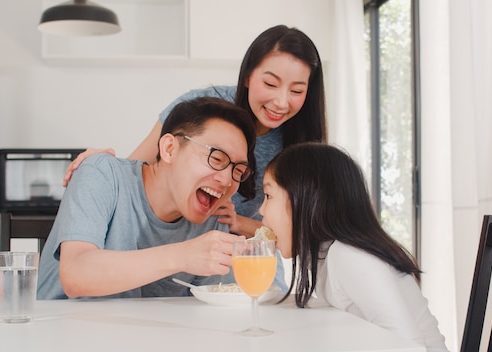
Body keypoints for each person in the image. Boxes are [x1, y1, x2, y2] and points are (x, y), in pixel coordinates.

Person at [61, 25, 327, 292]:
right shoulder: (206, 109)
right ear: (247, 76)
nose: (281, 102)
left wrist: (238, 223)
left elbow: (300, 231)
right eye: (270, 84)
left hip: (245, 252)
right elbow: (136, 179)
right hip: (180, 248)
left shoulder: (301, 141)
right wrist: (100, 169)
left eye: (296, 91)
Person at [37, 97, 256, 299]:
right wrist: (182, 255)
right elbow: (76, 274)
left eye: (238, 171)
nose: (227, 180)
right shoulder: (102, 173)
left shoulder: (214, 218)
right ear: (169, 149)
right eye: (217, 159)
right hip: (59, 333)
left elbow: (209, 307)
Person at [260, 142, 449, 351]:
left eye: (268, 196)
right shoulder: (327, 255)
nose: (261, 209)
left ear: (308, 198)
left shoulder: (349, 255)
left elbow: (409, 346)